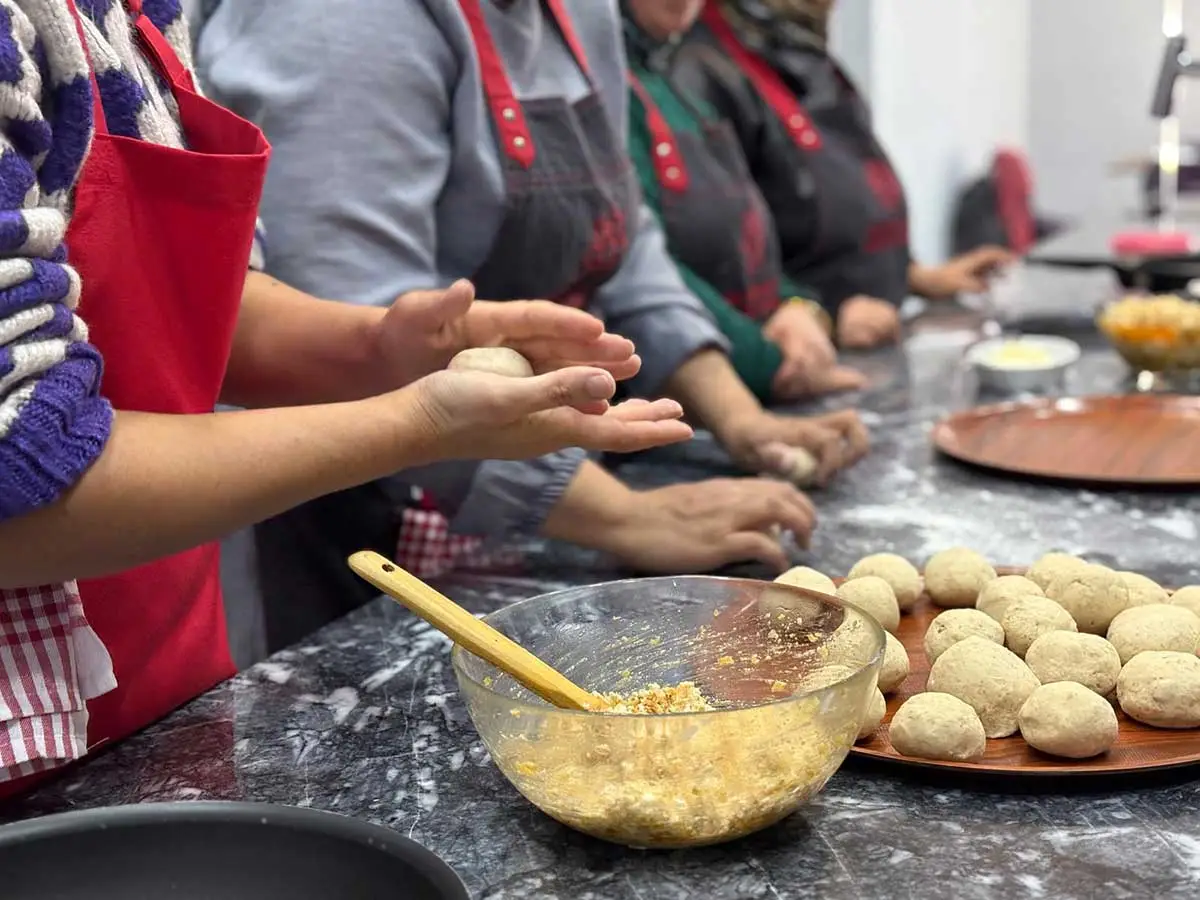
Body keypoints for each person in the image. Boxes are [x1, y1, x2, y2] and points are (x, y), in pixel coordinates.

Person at [0, 0, 694, 794]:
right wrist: (421, 420)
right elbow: (22, 478)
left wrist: (376, 351)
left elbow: (199, 310)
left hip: (158, 689)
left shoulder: (133, 15)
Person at [194, 0, 871, 645]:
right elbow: (360, 332)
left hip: (546, 502)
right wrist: (624, 516)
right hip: (366, 533)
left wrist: (740, 417)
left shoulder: (580, 12)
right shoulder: (339, 21)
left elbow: (625, 239)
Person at [676, 0, 1014, 349]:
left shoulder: (803, 54)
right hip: (801, 355)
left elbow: (850, 201)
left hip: (870, 338)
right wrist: (828, 314)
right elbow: (726, 254)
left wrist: (915, 276)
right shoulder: (702, 72)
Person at [621, 0, 866, 403]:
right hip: (686, 401)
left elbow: (750, 229)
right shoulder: (615, 93)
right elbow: (644, 270)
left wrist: (798, 308)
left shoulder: (673, 84)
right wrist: (771, 363)